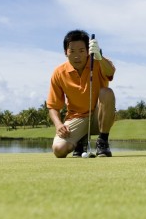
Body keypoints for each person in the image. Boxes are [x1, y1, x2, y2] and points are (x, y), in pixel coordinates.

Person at [47, 29, 116, 157]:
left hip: (99, 116)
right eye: (72, 51)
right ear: (65, 53)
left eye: (81, 51)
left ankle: (103, 142)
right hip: (76, 118)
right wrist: (58, 124)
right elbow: (53, 106)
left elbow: (110, 72)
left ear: (88, 51)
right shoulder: (59, 72)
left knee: (107, 92)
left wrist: (99, 57)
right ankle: (80, 141)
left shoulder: (97, 61)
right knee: (58, 150)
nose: (77, 56)